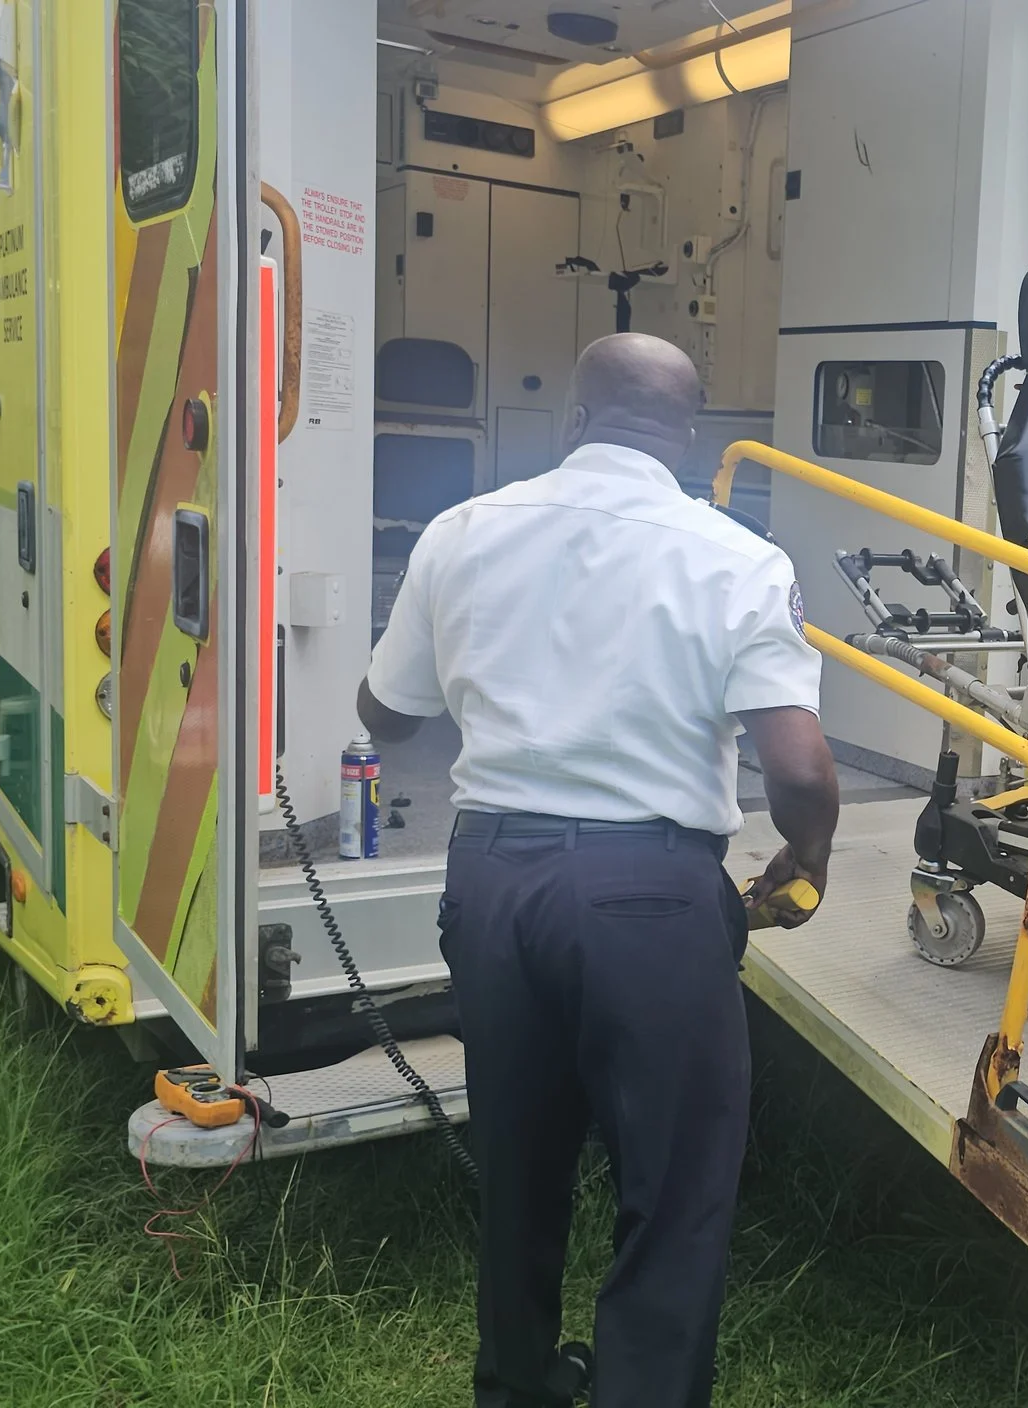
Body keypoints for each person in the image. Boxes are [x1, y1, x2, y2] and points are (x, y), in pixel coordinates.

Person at [357, 333, 839, 1408]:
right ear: (690, 435)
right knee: (671, 1194)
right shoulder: (736, 555)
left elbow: (386, 711)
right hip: (651, 899)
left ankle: (519, 1386)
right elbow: (798, 765)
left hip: (492, 886)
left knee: (519, 1165)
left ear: (574, 421)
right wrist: (804, 859)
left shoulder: (462, 531)